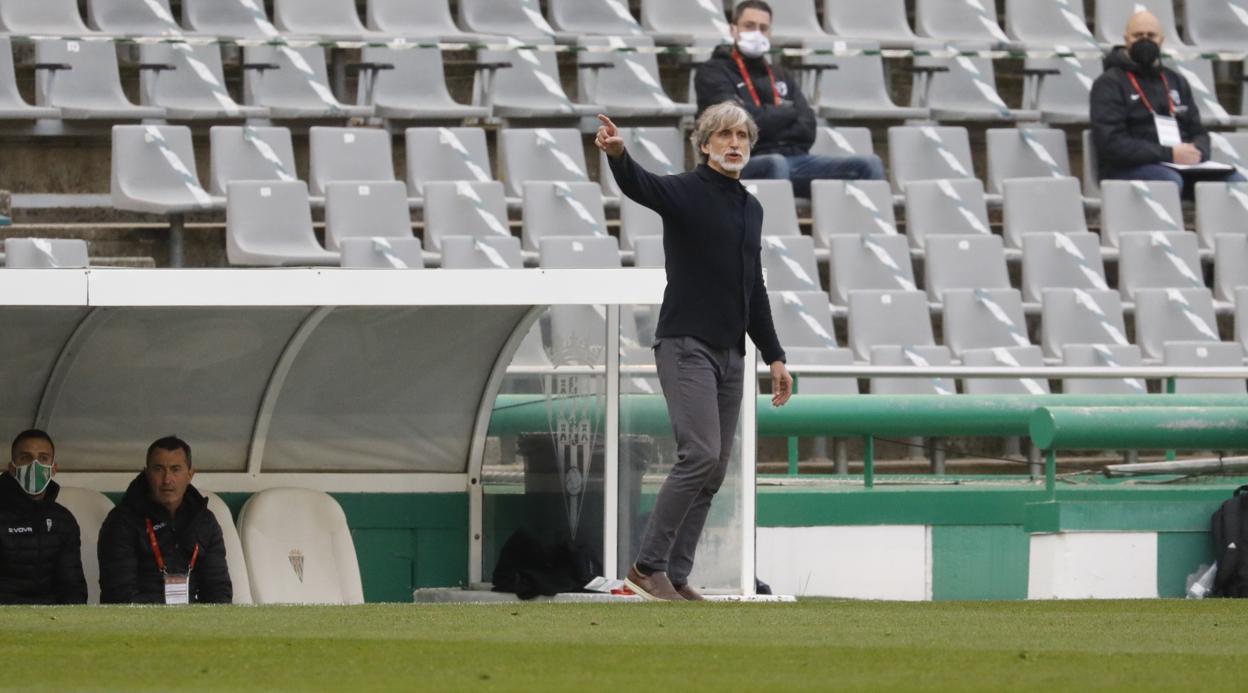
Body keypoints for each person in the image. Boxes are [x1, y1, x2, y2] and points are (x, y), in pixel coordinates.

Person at [597, 104, 793, 601]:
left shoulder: (752, 208)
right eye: (724, 135)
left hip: (732, 354)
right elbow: (641, 185)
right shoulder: (686, 191)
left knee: (714, 467)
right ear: (704, 144)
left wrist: (774, 355)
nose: (734, 143)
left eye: (742, 136)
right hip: (686, 344)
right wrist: (619, 155)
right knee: (699, 453)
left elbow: (754, 288)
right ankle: (645, 569)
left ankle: (676, 576)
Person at [693, 0, 885, 197]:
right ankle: (773, 227)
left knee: (869, 165)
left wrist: (763, 118)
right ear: (733, 30)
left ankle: (874, 227)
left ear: (769, 33)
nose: (756, 33)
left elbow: (808, 127)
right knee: (775, 163)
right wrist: (787, 113)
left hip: (796, 161)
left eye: (763, 28)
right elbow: (734, 127)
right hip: (741, 162)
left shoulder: (780, 74)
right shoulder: (712, 72)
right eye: (749, 26)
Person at [1091, 10, 1245, 196]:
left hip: (1178, 165)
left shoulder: (1176, 81)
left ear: (1161, 40)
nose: (1145, 40)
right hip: (1127, 168)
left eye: (1151, 35)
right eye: (1138, 35)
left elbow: (1198, 131)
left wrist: (1197, 152)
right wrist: (1169, 154)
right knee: (1169, 181)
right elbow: (1112, 143)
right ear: (1126, 40)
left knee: (1234, 180)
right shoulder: (1109, 83)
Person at [98, 436, 231, 604]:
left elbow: (218, 588)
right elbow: (119, 594)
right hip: (138, 624)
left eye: (176, 469)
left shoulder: (204, 520)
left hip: (195, 624)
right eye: (158, 469)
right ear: (147, 473)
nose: (167, 479)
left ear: (190, 474)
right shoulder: (121, 521)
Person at [0, 429, 87, 604]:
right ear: (12, 468)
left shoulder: (63, 520)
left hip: (50, 622)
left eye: (43, 458)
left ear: (54, 468)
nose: (35, 465)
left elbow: (72, 585)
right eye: (25, 458)